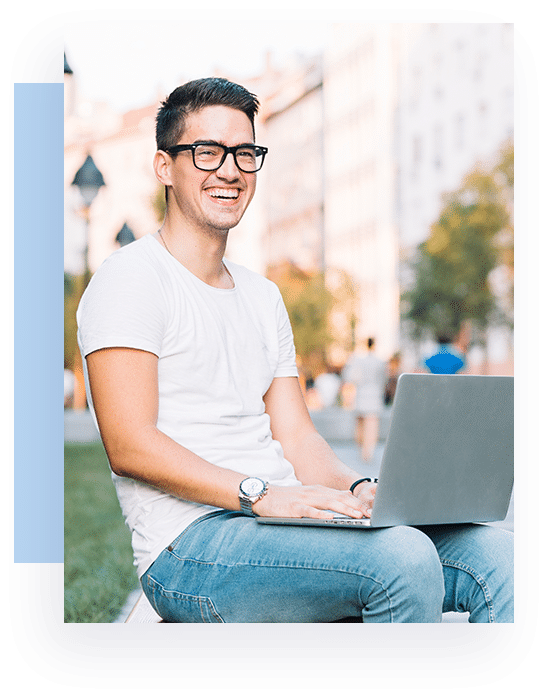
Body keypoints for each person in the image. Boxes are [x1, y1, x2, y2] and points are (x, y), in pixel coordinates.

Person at [77, 77, 513, 623]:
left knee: (499, 556)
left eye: (244, 153)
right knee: (400, 559)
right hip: (190, 547)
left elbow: (298, 437)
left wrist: (360, 488)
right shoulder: (130, 280)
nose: (230, 170)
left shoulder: (262, 295)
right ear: (165, 167)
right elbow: (130, 444)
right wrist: (260, 494)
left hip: (281, 519)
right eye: (207, 152)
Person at [343, 338, 387, 462]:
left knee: (360, 423)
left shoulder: (357, 360)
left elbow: (350, 377)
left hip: (361, 393)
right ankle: (368, 452)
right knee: (372, 425)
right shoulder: (380, 362)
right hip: (374, 395)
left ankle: (362, 449)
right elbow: (384, 379)